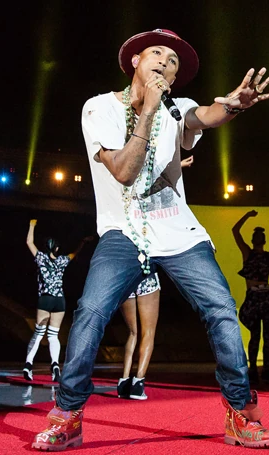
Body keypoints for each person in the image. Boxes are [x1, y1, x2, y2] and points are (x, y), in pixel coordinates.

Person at [31, 29, 269, 451]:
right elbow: (124, 172)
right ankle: (68, 415)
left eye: (173, 61)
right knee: (91, 311)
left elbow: (205, 115)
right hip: (123, 231)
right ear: (135, 61)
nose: (165, 61)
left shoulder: (176, 108)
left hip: (178, 231)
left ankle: (240, 413)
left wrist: (233, 105)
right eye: (157, 53)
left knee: (221, 308)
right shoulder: (99, 108)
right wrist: (148, 109)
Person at [117, 156, 194, 401]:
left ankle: (124, 380)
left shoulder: (123, 207)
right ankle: (138, 383)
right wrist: (178, 166)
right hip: (147, 273)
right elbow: (157, 185)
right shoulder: (151, 213)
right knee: (148, 332)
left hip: (126, 273)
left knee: (133, 332)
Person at [24, 219, 91, 382]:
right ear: (57, 248)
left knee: (39, 333)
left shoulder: (41, 258)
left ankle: (28, 365)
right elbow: (74, 253)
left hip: (45, 299)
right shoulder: (62, 261)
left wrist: (32, 225)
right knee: (53, 335)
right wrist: (82, 242)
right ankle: (55, 365)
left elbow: (29, 242)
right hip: (59, 301)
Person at [232, 210, 269, 384]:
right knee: (261, 335)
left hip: (262, 298)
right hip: (260, 299)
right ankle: (258, 369)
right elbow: (235, 231)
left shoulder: (257, 255)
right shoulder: (253, 254)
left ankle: (261, 369)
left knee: (262, 335)